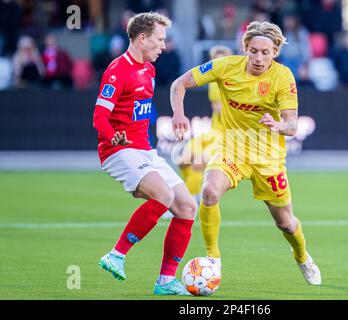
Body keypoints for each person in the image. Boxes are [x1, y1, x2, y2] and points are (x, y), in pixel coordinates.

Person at [170, 21, 321, 285]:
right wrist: (179, 114)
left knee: (286, 223)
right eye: (253, 51)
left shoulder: (283, 76)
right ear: (245, 49)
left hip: (268, 157)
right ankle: (213, 259)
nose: (259, 58)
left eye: (265, 52)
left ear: (275, 52)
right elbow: (179, 84)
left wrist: (279, 125)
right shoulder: (226, 66)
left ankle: (302, 257)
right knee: (209, 192)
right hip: (232, 149)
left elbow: (293, 125)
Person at [92, 12, 197, 295]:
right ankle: (116, 255)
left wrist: (176, 117)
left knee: (188, 207)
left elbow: (137, 113)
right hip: (118, 150)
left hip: (144, 151)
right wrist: (111, 134)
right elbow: (99, 117)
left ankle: (165, 281)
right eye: (159, 39)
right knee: (164, 195)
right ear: (142, 38)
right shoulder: (117, 71)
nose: (163, 46)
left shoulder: (148, 69)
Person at [178, 45, 233, 203]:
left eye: (221, 60)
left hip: (227, 136)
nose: (216, 64)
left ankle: (186, 203)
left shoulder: (234, 83)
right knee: (183, 160)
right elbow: (217, 108)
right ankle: (193, 197)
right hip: (213, 132)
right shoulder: (212, 82)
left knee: (198, 162)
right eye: (214, 60)